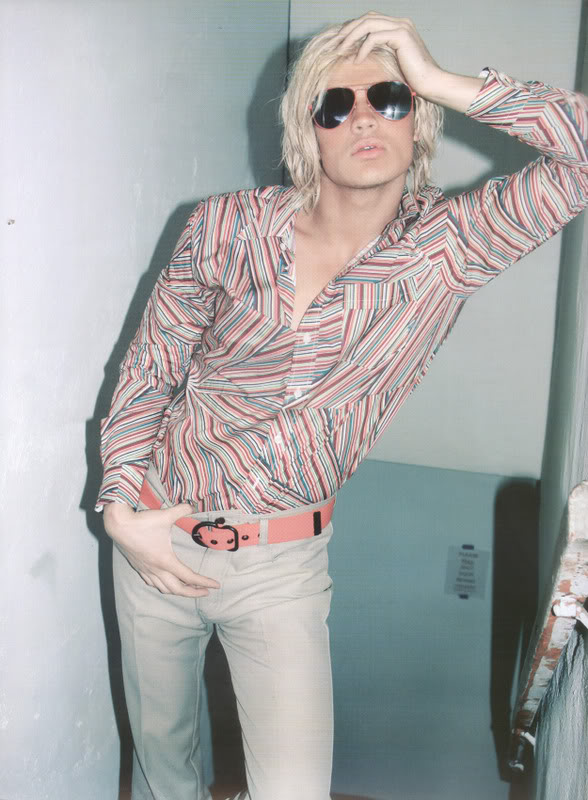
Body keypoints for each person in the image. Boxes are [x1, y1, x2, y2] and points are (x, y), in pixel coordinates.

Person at [97, 11, 588, 800]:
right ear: (308, 131)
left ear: (416, 121)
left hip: (281, 567)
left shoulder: (449, 248)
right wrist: (120, 506)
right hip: (155, 535)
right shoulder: (225, 225)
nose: (363, 118)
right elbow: (152, 366)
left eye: (388, 98)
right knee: (164, 770)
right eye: (335, 104)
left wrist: (438, 78)